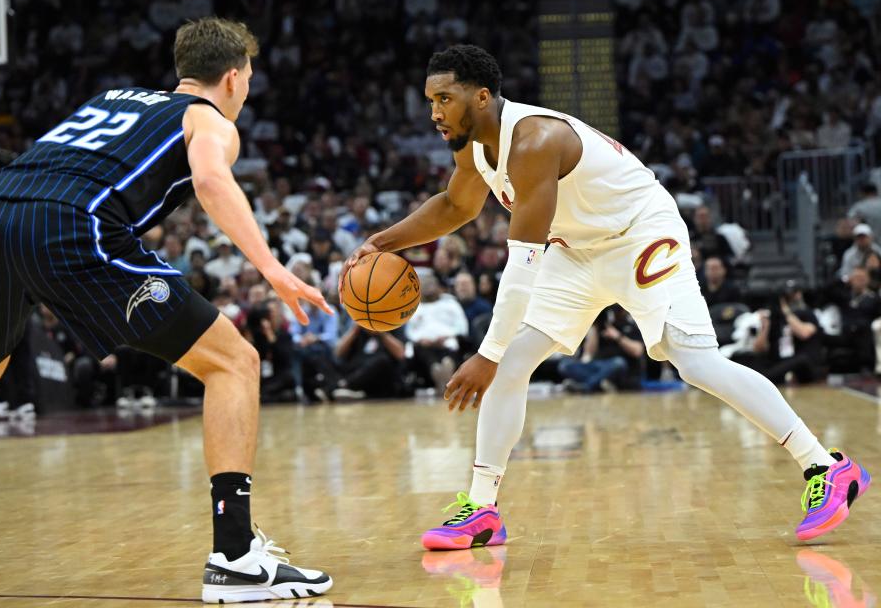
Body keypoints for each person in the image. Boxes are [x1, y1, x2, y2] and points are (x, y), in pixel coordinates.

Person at [341, 44, 869, 550]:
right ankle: (482, 511)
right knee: (513, 362)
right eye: (430, 100)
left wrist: (484, 353)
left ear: (481, 97)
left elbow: (522, 265)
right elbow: (456, 207)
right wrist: (381, 241)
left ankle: (826, 466)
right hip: (577, 249)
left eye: (444, 99)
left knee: (696, 363)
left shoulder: (534, 140)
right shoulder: (476, 145)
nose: (434, 111)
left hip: (638, 231)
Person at [0, 18, 332, 602]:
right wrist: (271, 267)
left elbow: (27, 189)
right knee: (234, 362)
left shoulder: (108, 99)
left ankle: (239, 554)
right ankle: (236, 557)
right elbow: (212, 181)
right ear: (235, 78)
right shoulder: (206, 118)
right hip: (72, 232)